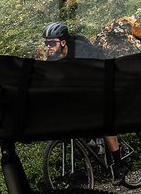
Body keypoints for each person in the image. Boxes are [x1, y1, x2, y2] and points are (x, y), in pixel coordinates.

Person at [42, 22, 128, 184]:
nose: (48, 47)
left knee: (105, 123)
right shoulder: (53, 57)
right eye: (46, 43)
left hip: (100, 80)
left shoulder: (83, 51)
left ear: (63, 42)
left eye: (51, 43)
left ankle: (118, 164)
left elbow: (102, 69)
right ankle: (93, 142)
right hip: (78, 86)